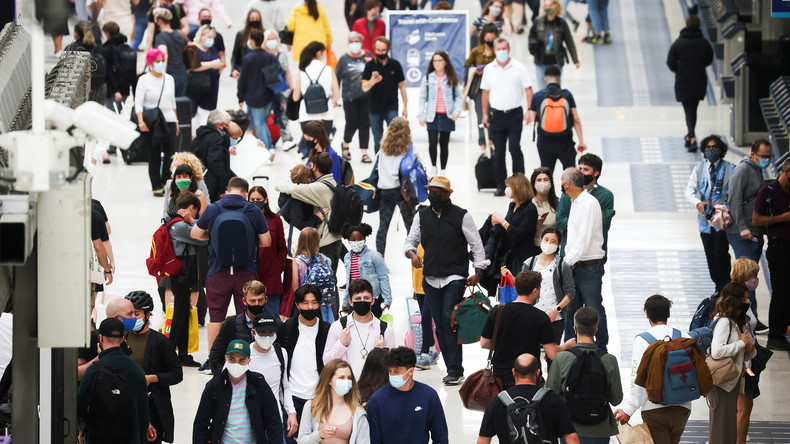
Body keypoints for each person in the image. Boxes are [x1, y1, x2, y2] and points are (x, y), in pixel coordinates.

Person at [403, 176, 489, 385]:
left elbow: (476, 245)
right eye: (431, 191)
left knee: (448, 318)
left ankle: (455, 369)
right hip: (430, 277)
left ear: (448, 194)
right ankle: (452, 367)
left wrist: (478, 270)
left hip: (455, 276)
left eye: (439, 191)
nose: (434, 195)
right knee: (440, 325)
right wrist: (412, 255)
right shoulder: (421, 216)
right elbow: (410, 241)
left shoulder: (462, 216)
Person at [191, 177, 272, 372]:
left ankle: (213, 361)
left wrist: (214, 237)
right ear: (245, 193)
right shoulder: (253, 210)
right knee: (246, 317)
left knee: (216, 318)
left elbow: (195, 234)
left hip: (218, 271)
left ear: (227, 191)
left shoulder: (213, 209)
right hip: (246, 272)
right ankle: (247, 359)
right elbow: (266, 241)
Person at [614, 295, 693, 444]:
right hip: (682, 407)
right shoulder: (685, 337)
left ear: (647, 314)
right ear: (668, 313)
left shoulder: (643, 340)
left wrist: (629, 410)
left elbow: (639, 377)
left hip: (654, 408)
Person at [480, 270, 574, 388]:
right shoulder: (540, 317)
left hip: (500, 378)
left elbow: (484, 343)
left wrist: (505, 344)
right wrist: (568, 345)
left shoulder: (497, 311)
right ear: (535, 291)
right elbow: (552, 353)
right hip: (529, 377)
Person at [546, 307, 623, 443]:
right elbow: (616, 399)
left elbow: (551, 395)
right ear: (596, 330)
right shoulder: (609, 360)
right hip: (600, 429)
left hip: (569, 429)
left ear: (575, 329)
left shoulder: (562, 358)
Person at [78, 318, 155, 444]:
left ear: (101, 338)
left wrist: (82, 433)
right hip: (128, 438)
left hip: (97, 438)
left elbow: (80, 404)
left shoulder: (94, 369)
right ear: (123, 339)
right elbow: (142, 412)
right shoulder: (136, 370)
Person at [193, 340, 284, 444]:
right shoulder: (214, 386)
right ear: (226, 358)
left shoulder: (258, 384)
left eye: (242, 360)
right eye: (232, 359)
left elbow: (273, 422)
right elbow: (201, 423)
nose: (236, 364)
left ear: (248, 360)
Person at [477, 354, 579, 444]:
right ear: (538, 372)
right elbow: (571, 437)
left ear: (513, 372)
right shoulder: (553, 399)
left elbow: (483, 440)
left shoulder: (497, 402)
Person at [124, 291, 183, 444]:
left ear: (148, 314)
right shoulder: (121, 338)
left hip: (151, 405)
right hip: (123, 402)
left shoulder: (160, 341)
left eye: (136, 314)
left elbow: (177, 374)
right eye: (129, 314)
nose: (132, 318)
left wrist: (151, 378)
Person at [558, 168, 608, 349]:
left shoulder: (589, 204)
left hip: (589, 267)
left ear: (568, 184)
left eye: (562, 181)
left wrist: (564, 263)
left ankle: (601, 348)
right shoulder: (575, 202)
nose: (561, 184)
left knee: (594, 308)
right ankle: (571, 347)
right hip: (574, 264)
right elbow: (573, 238)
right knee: (571, 309)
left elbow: (583, 240)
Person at [480, 37, 534, 196]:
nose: (501, 51)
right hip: (496, 115)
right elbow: (485, 92)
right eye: (498, 49)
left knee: (514, 148)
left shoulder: (519, 67)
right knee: (499, 151)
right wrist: (484, 114)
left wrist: (530, 110)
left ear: (509, 49)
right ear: (494, 50)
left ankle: (519, 183)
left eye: (504, 48)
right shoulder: (489, 69)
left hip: (514, 114)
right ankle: (501, 185)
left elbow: (528, 89)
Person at [727, 138, 771, 327]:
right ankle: (749, 318)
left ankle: (750, 317)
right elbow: (734, 201)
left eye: (769, 156)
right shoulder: (743, 171)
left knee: (750, 277)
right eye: (763, 156)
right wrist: (742, 227)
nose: (767, 159)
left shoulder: (757, 169)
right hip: (742, 232)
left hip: (754, 231)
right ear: (753, 154)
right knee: (747, 279)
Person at [276, 284, 332, 433]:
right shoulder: (286, 328)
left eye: (314, 302)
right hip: (292, 397)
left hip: (319, 397)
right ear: (297, 305)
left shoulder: (327, 330)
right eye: (305, 303)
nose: (310, 307)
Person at [684, 135, 736, 295]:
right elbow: (689, 190)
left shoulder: (731, 168)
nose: (711, 150)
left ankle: (725, 285)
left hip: (722, 222)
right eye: (708, 147)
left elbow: (735, 193)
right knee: (710, 256)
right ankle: (718, 285)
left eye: (714, 147)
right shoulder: (699, 169)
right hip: (705, 223)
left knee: (721, 253)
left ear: (721, 150)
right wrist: (697, 203)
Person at [275, 153, 343, 274]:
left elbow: (292, 188)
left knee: (323, 279)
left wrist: (279, 184)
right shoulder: (332, 183)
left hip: (325, 243)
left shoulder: (318, 188)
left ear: (314, 167)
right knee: (329, 278)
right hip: (334, 239)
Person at [707, 282, 757, 444]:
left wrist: (749, 349)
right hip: (722, 382)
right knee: (721, 427)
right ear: (735, 300)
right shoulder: (724, 322)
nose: (747, 302)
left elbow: (741, 353)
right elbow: (717, 351)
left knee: (728, 426)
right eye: (744, 298)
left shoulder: (735, 321)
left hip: (731, 381)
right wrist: (742, 344)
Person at [367, 347, 448, 444]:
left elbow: (440, 436)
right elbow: (374, 440)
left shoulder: (429, 396)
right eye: (390, 371)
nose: (392, 375)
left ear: (411, 371)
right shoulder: (377, 399)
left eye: (397, 371)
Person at [166, 192, 208, 366]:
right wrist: (192, 220)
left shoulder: (175, 222)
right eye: (196, 211)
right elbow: (203, 238)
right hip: (180, 274)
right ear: (191, 208)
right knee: (180, 314)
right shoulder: (180, 226)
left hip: (182, 273)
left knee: (183, 312)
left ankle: (182, 354)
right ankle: (169, 355)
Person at [752, 158, 790, 351]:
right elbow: (756, 219)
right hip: (779, 248)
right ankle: (775, 336)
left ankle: (784, 329)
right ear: (787, 172)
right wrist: (783, 218)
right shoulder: (768, 192)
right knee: (781, 292)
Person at [323, 279, 396, 378]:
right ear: (350, 302)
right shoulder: (338, 326)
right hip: (346, 385)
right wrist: (341, 344)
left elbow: (392, 367)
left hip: (373, 385)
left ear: (373, 301)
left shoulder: (385, 329)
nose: (362, 301)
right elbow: (326, 362)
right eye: (357, 299)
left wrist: (381, 353)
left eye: (366, 298)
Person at [516, 228, 575, 345]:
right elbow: (522, 288)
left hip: (554, 317)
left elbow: (571, 292)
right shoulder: (529, 263)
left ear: (558, 245)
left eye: (553, 241)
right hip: (531, 316)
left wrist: (557, 309)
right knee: (529, 349)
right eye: (546, 240)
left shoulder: (562, 265)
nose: (548, 244)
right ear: (540, 240)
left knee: (552, 351)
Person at [726, 259, 763, 444]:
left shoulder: (732, 297)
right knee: (744, 407)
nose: (756, 279)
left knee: (736, 407)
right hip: (744, 363)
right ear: (745, 277)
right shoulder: (739, 303)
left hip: (741, 360)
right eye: (754, 275)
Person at [666, 15, 714, 152]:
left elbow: (670, 62)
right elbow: (709, 59)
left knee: (688, 109)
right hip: (699, 79)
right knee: (693, 108)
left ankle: (692, 138)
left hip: (683, 80)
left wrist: (679, 69)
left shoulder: (679, 43)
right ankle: (690, 136)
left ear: (686, 25)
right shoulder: (704, 42)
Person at [135, 48, 179, 197]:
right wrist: (141, 121)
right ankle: (155, 184)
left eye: (162, 61)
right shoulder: (144, 80)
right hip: (153, 121)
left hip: (169, 119)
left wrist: (176, 121)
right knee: (153, 154)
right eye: (157, 61)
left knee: (170, 154)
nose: (160, 63)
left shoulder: (169, 79)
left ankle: (166, 180)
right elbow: (138, 102)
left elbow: (173, 102)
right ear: (150, 63)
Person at [249, 312, 298, 441]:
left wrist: (291, 412)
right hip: (250, 423)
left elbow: (285, 387)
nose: (266, 337)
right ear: (253, 332)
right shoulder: (244, 355)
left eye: (270, 333)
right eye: (262, 333)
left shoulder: (281, 353)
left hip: (275, 421)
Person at [528, 65, 586, 174]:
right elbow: (576, 119)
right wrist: (581, 141)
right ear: (560, 78)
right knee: (570, 174)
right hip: (565, 141)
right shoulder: (567, 95)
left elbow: (532, 118)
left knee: (546, 175)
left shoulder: (538, 96)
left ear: (545, 79)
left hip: (544, 141)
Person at [298, 359, 370, 443]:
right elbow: (301, 441)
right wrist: (319, 435)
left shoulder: (358, 412)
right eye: (341, 377)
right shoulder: (312, 406)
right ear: (329, 380)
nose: (346, 381)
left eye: (349, 378)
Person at [555, 154, 614, 256]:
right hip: (568, 252)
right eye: (580, 169)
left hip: (592, 255)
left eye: (586, 169)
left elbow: (603, 224)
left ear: (596, 173)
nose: (581, 172)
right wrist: (583, 223)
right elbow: (560, 221)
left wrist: (578, 223)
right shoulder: (567, 193)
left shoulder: (606, 195)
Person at [207, 280, 270, 375]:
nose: (257, 304)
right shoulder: (231, 323)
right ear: (244, 301)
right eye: (252, 301)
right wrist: (222, 377)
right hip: (236, 376)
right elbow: (216, 354)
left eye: (260, 300)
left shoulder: (275, 325)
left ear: (266, 299)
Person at [375, 117, 417, 255]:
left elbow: (377, 167)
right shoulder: (408, 149)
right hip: (403, 191)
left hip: (385, 189)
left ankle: (380, 257)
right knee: (411, 226)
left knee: (383, 226)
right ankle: (415, 256)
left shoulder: (383, 148)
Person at [417, 51, 464, 177]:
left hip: (447, 116)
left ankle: (443, 169)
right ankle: (433, 166)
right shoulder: (428, 78)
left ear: (445, 62)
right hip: (432, 115)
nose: (437, 63)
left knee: (444, 144)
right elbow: (422, 97)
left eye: (439, 60)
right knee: (432, 143)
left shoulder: (451, 78)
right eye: (434, 61)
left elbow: (458, 97)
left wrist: (456, 112)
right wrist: (421, 115)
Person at [237, 30, 281, 156]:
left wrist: (240, 96)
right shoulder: (270, 57)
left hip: (253, 97)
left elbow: (243, 80)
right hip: (268, 95)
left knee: (259, 123)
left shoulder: (248, 59)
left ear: (252, 41)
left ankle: (267, 149)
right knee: (258, 122)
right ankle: (263, 145)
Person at [293, 41, 340, 157]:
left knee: (311, 150)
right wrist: (328, 97)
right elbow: (336, 95)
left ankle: (311, 166)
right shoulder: (328, 70)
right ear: (319, 53)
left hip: (306, 115)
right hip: (326, 115)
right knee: (323, 148)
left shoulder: (302, 71)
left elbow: (295, 97)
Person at [361, 37, 408, 153]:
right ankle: (379, 161)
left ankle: (394, 159)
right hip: (374, 108)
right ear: (374, 49)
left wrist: (405, 107)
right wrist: (373, 81)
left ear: (388, 49)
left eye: (383, 50)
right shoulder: (370, 65)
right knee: (378, 139)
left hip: (391, 106)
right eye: (378, 50)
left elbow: (402, 87)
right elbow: (364, 88)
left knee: (395, 136)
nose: (381, 53)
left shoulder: (395, 64)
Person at [249, 186, 288, 317]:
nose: (255, 202)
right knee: (251, 314)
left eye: (258, 199)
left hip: (271, 274)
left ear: (265, 200)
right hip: (251, 271)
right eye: (252, 200)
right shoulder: (245, 219)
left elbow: (282, 247)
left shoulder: (275, 220)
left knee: (272, 314)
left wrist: (278, 265)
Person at [489, 172, 539, 272]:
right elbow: (508, 227)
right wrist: (498, 223)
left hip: (523, 256)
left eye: (509, 186)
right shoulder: (512, 205)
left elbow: (519, 235)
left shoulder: (530, 208)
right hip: (509, 254)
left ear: (517, 188)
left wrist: (502, 221)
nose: (506, 189)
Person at [336, 32, 373, 163]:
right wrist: (335, 95)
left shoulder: (368, 55)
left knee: (365, 123)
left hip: (366, 96)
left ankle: (364, 152)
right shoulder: (343, 59)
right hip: (349, 97)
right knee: (351, 122)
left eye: (357, 41)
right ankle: (346, 143)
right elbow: (337, 78)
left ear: (361, 42)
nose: (354, 44)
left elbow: (375, 73)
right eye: (352, 41)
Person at [342, 224, 392, 317]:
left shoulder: (374, 256)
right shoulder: (347, 257)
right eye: (353, 240)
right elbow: (349, 281)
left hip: (372, 299)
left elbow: (383, 277)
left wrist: (387, 299)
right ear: (348, 241)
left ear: (364, 239)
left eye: (359, 239)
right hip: (355, 298)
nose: (356, 242)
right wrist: (345, 302)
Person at [528, 0, 580, 90]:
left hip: (556, 61)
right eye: (546, 5)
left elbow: (569, 41)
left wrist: (575, 60)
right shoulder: (538, 21)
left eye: (550, 5)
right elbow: (531, 37)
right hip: (541, 60)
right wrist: (533, 50)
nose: (548, 7)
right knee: (542, 90)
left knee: (555, 90)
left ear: (555, 6)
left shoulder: (562, 23)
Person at [464, 25, 499, 154]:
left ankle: (494, 140)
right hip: (479, 88)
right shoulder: (476, 51)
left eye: (492, 39)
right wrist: (475, 70)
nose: (490, 41)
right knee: (481, 115)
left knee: (495, 115)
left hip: (496, 87)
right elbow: (467, 66)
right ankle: (483, 143)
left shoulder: (499, 51)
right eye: (487, 39)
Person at [190, 109, 236, 203]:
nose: (228, 128)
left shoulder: (200, 136)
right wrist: (222, 188)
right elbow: (216, 164)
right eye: (227, 125)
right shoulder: (216, 139)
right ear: (220, 125)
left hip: (199, 179)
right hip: (213, 184)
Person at [291, 227, 337, 320]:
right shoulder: (322, 258)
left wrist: (299, 300)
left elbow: (295, 284)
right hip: (320, 300)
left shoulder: (297, 260)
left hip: (305, 299)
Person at [262, 29, 296, 149]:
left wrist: (292, 87)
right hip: (266, 90)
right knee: (264, 115)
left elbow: (287, 72)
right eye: (269, 39)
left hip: (282, 89)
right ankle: (264, 140)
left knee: (283, 116)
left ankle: (286, 139)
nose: (272, 41)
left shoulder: (282, 54)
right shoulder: (262, 55)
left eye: (274, 38)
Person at [189, 25, 225, 129]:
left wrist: (220, 65)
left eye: (213, 38)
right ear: (201, 36)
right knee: (195, 116)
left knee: (208, 115)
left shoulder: (212, 49)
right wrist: (212, 64)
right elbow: (193, 66)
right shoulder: (193, 48)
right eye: (209, 37)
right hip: (197, 87)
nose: (211, 40)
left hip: (212, 86)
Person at [152, 7, 188, 96]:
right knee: (181, 102)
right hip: (182, 74)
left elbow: (164, 55)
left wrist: (162, 76)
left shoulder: (160, 37)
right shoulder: (179, 34)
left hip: (170, 75)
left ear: (159, 21)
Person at [231, 9, 263, 79]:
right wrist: (233, 69)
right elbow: (235, 55)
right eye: (252, 19)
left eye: (257, 18)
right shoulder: (241, 35)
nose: (255, 20)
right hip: (244, 71)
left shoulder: (265, 33)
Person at [531, 166, 558, 248]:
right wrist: (533, 222)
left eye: (546, 180)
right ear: (533, 183)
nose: (542, 183)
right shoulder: (528, 203)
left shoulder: (558, 203)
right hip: (533, 246)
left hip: (552, 247)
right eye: (539, 180)